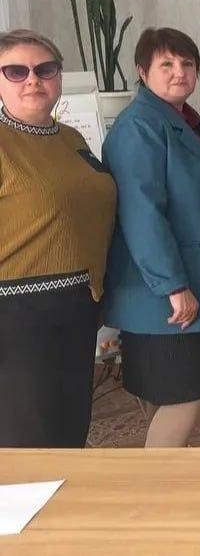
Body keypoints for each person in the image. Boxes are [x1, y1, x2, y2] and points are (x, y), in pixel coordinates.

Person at [103, 28, 200, 448]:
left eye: (187, 63)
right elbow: (141, 214)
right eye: (166, 64)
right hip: (163, 295)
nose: (179, 72)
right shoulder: (139, 126)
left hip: (186, 287)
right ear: (142, 71)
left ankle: (166, 478)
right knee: (190, 393)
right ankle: (156, 483)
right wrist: (173, 286)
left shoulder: (182, 118)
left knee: (171, 394)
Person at [0, 29, 116, 448]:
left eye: (45, 69)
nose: (33, 79)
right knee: (29, 441)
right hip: (16, 316)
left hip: (77, 305)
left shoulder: (71, 138)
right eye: (16, 71)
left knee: (70, 430)